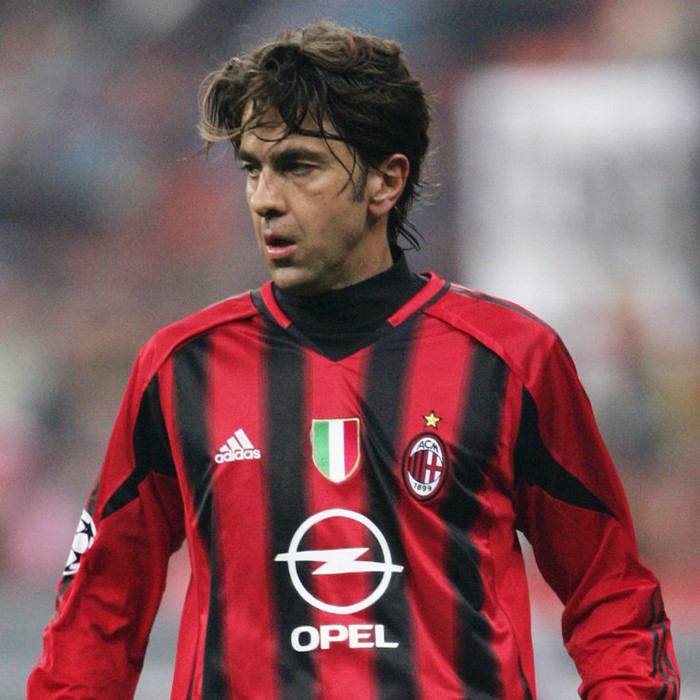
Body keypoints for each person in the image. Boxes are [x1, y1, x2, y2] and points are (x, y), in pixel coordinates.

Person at [28, 20, 680, 699]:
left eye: (298, 166)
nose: (265, 198)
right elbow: (94, 616)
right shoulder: (181, 368)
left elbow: (611, 595)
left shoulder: (509, 360)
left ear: (385, 182)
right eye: (253, 168)